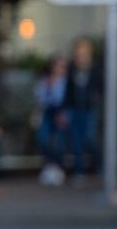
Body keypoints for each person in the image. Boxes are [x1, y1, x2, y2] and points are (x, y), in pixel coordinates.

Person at [62, 37, 103, 181]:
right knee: (76, 141)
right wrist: (65, 109)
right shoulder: (72, 69)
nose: (81, 56)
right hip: (74, 108)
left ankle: (99, 165)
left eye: (84, 53)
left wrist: (97, 99)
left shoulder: (96, 69)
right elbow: (68, 91)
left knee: (89, 138)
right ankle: (79, 171)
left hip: (90, 109)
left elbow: (101, 88)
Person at [34, 55, 68, 186]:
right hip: (47, 113)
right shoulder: (44, 81)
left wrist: (63, 114)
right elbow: (39, 97)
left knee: (59, 142)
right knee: (44, 139)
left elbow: (67, 100)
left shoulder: (67, 81)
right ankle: (48, 168)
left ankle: (58, 169)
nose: (60, 68)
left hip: (60, 113)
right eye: (57, 65)